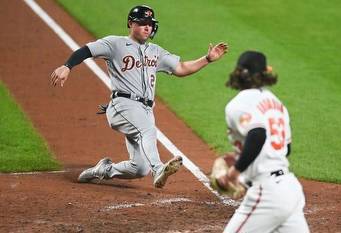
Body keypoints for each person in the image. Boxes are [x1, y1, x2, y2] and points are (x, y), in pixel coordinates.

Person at [50, 5, 228, 188]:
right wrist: (67, 66)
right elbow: (87, 50)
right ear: (130, 24)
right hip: (123, 105)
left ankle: (103, 170)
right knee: (148, 131)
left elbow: (181, 68)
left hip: (145, 110)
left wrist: (206, 59)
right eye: (142, 23)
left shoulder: (155, 51)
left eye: (150, 24)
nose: (147, 27)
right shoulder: (115, 44)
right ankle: (159, 168)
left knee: (139, 168)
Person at [217, 51, 309, 232]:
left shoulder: (237, 104)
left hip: (267, 193)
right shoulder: (277, 103)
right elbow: (286, 149)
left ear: (237, 73)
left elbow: (258, 134)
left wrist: (235, 172)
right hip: (291, 188)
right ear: (265, 73)